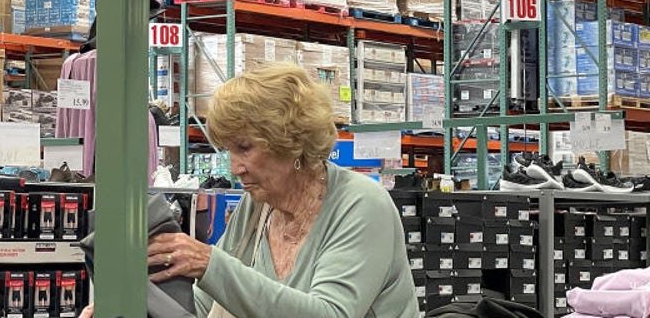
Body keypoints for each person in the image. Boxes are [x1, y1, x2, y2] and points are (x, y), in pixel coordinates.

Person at [83, 63, 418, 318]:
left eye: (244, 148)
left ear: (291, 141)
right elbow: (204, 304)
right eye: (228, 150)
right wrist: (129, 306)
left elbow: (330, 313)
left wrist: (209, 263)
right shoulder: (258, 207)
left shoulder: (361, 205)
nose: (234, 168)